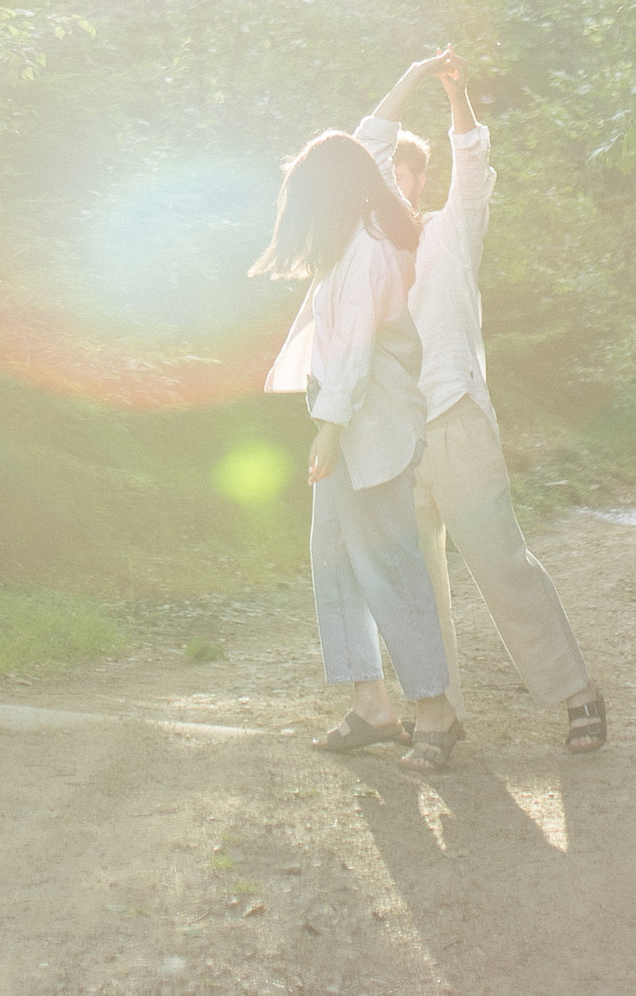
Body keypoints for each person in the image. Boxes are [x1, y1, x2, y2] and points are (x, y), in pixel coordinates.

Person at [354, 50, 608, 755]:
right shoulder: (370, 254)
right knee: (417, 589)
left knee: (503, 566)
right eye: (383, 174)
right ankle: (440, 717)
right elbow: (367, 143)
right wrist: (408, 74)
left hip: (456, 418)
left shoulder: (450, 230)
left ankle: (577, 694)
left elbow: (471, 157)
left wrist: (453, 92)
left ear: (419, 179)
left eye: (403, 171)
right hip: (395, 439)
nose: (391, 181)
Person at [254, 125, 460, 769]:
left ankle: (436, 712)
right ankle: (371, 705)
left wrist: (330, 427)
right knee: (335, 558)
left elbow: (353, 349)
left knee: (390, 566)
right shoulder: (351, 242)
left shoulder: (370, 247)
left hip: (371, 428)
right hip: (349, 424)